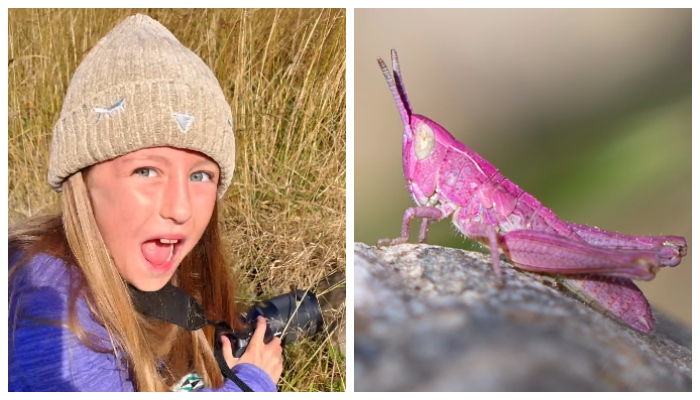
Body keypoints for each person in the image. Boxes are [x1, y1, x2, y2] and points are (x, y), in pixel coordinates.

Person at [8, 14, 283, 392]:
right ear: (82, 180)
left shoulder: (118, 273)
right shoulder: (53, 327)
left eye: (200, 175)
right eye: (146, 171)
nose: (181, 209)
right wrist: (253, 382)